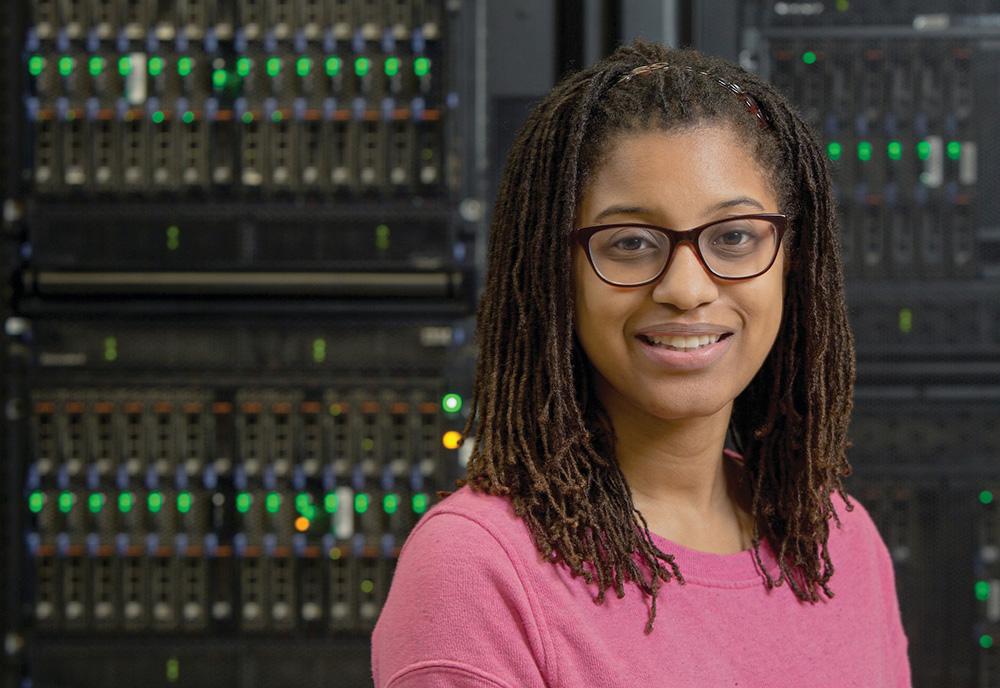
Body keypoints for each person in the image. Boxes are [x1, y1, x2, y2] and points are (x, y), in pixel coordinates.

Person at [371, 39, 912, 687]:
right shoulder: (477, 568)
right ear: (556, 269)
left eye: (734, 237)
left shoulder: (844, 542)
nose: (686, 289)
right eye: (631, 242)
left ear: (792, 261)